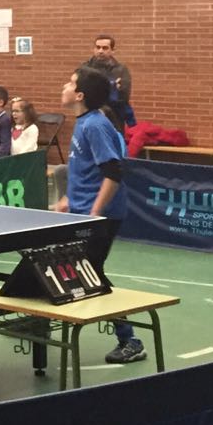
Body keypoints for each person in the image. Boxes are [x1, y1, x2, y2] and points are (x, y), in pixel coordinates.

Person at [54, 67, 144, 364]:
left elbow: (113, 172)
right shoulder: (83, 122)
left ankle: (130, 340)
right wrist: (69, 199)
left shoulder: (95, 125)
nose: (64, 86)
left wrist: (95, 213)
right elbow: (87, 169)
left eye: (70, 83)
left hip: (101, 215)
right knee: (77, 269)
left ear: (80, 95)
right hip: (82, 211)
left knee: (89, 272)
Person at [82, 34, 135, 126]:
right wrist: (111, 87)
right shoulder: (85, 68)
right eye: (98, 47)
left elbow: (123, 97)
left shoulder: (121, 69)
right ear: (94, 49)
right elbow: (80, 93)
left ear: (113, 50)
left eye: (105, 48)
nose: (100, 51)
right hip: (89, 117)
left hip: (114, 119)